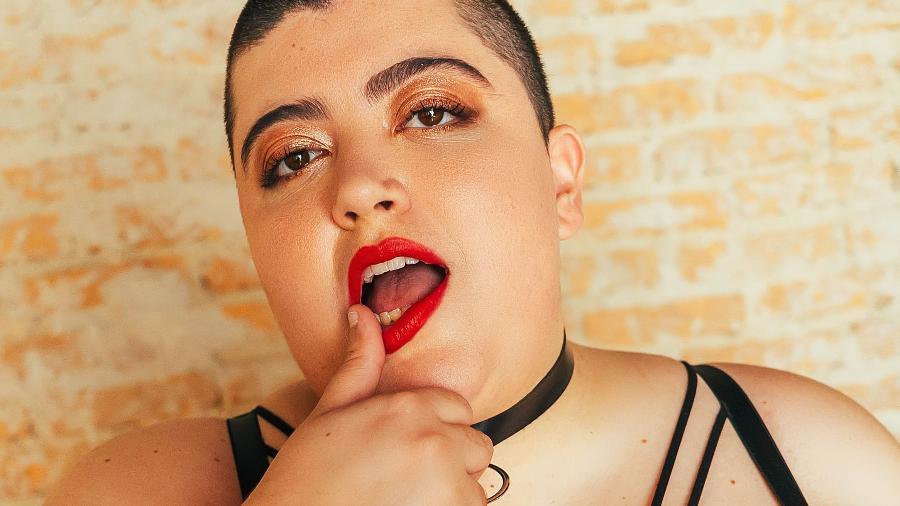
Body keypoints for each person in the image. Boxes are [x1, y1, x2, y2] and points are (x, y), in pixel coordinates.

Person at [47, 0, 900, 504]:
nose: (358, 187)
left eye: (431, 113)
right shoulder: (135, 491)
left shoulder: (816, 463)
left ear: (560, 182)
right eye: (294, 158)